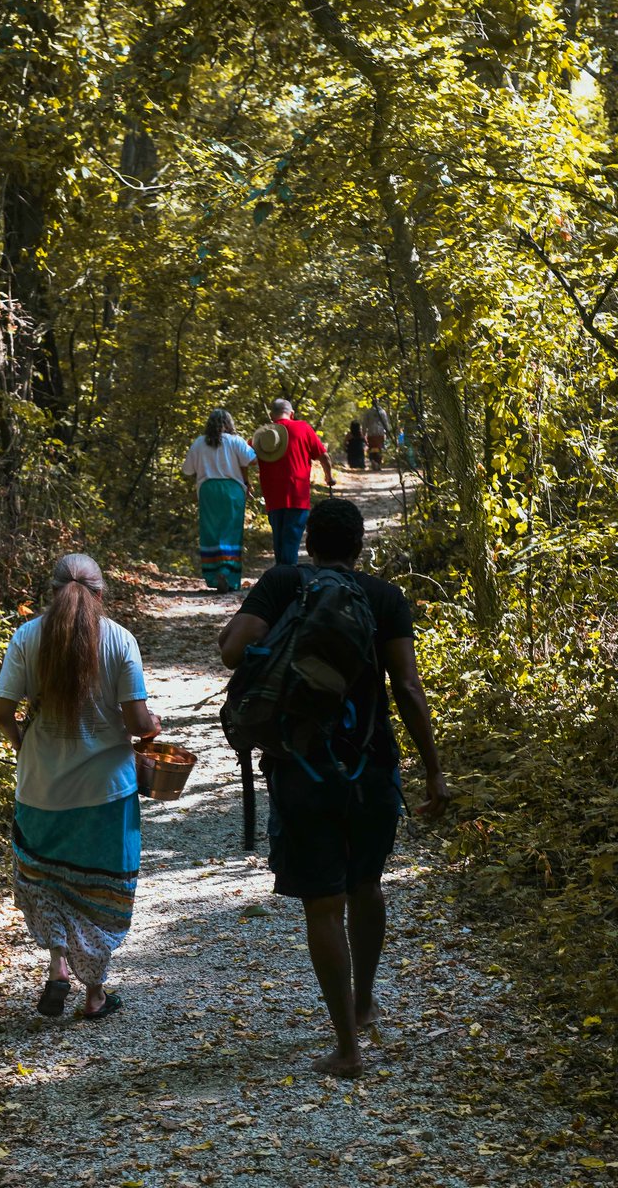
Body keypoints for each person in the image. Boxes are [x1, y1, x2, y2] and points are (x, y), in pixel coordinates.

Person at [218, 498, 448, 1078]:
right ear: (359, 547)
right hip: (371, 765)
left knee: (324, 904)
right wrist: (434, 769)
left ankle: (347, 1049)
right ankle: (365, 1003)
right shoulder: (385, 597)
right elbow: (408, 688)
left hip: (302, 766)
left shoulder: (283, 582)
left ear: (310, 544)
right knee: (367, 886)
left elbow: (231, 651)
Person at [0, 553, 161, 1020]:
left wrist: (22, 743)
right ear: (101, 594)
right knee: (101, 892)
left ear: (51, 592)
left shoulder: (27, 637)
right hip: (105, 794)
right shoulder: (120, 639)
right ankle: (95, 994)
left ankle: (57, 966)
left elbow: (2, 711)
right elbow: (137, 722)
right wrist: (153, 726)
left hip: (40, 789)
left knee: (46, 878)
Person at [252, 399, 335, 565]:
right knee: (291, 539)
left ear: (271, 415)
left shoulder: (263, 436)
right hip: (297, 494)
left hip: (272, 496)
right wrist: (329, 476)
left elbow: (245, 458)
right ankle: (288, 574)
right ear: (291, 414)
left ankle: (282, 573)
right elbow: (324, 457)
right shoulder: (303, 428)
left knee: (279, 540)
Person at [182, 408, 257, 592]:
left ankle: (214, 575)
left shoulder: (199, 442)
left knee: (211, 532)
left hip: (208, 490)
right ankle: (228, 573)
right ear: (229, 423)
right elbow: (252, 460)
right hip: (232, 490)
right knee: (231, 532)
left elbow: (187, 470)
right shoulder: (236, 441)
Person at [361, 399, 390, 471]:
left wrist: (364, 433)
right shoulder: (382, 412)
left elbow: (364, 424)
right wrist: (388, 432)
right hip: (380, 433)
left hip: (371, 433)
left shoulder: (368, 412)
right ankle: (378, 463)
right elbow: (386, 423)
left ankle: (373, 461)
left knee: (371, 447)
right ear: (378, 403)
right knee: (379, 448)